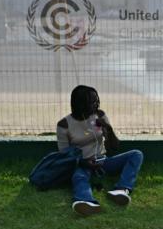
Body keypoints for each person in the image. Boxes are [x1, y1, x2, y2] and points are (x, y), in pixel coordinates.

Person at [57, 85, 144, 216]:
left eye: (97, 100)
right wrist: (84, 162)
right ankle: (86, 201)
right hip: (82, 163)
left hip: (103, 160)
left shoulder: (99, 115)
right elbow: (64, 155)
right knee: (79, 176)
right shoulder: (64, 124)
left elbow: (114, 146)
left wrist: (108, 129)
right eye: (92, 102)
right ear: (80, 104)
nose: (97, 104)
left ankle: (121, 190)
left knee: (136, 154)